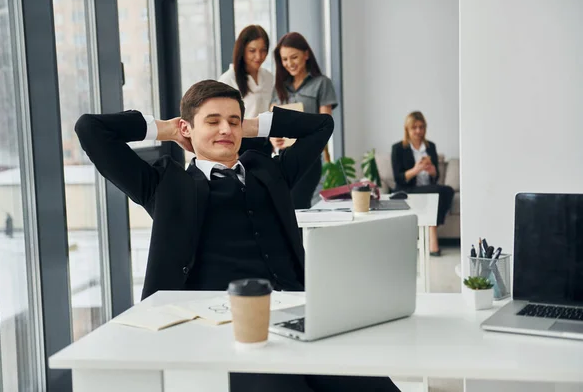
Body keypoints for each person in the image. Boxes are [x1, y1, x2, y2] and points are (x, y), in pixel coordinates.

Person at [75, 80, 398, 392]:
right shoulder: (164, 183)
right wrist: (168, 129)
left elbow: (321, 125)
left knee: (373, 384)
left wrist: (251, 125)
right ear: (188, 128)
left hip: (295, 312)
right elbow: (90, 129)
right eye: (212, 121)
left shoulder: (271, 171)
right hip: (220, 327)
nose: (226, 130)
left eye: (233, 121)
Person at [271, 32, 338, 209]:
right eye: (284, 59)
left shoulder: (322, 83)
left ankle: (301, 238)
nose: (289, 63)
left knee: (297, 205)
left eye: (294, 57)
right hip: (283, 158)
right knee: (284, 208)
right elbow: (271, 121)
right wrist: (273, 138)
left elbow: (326, 124)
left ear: (306, 54)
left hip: (309, 158)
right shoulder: (278, 88)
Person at [391, 111, 455, 256]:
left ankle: (431, 225)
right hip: (408, 189)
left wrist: (432, 171)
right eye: (414, 127)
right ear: (407, 129)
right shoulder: (398, 148)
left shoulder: (430, 147)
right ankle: (432, 235)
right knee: (435, 193)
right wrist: (415, 170)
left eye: (421, 127)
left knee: (447, 190)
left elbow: (436, 177)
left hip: (428, 188)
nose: (419, 131)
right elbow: (398, 178)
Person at [219, 24, 274, 156]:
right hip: (240, 144)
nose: (258, 56)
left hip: (265, 143)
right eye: (252, 51)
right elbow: (223, 119)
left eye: (263, 50)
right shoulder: (228, 80)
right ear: (242, 50)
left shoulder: (269, 77)